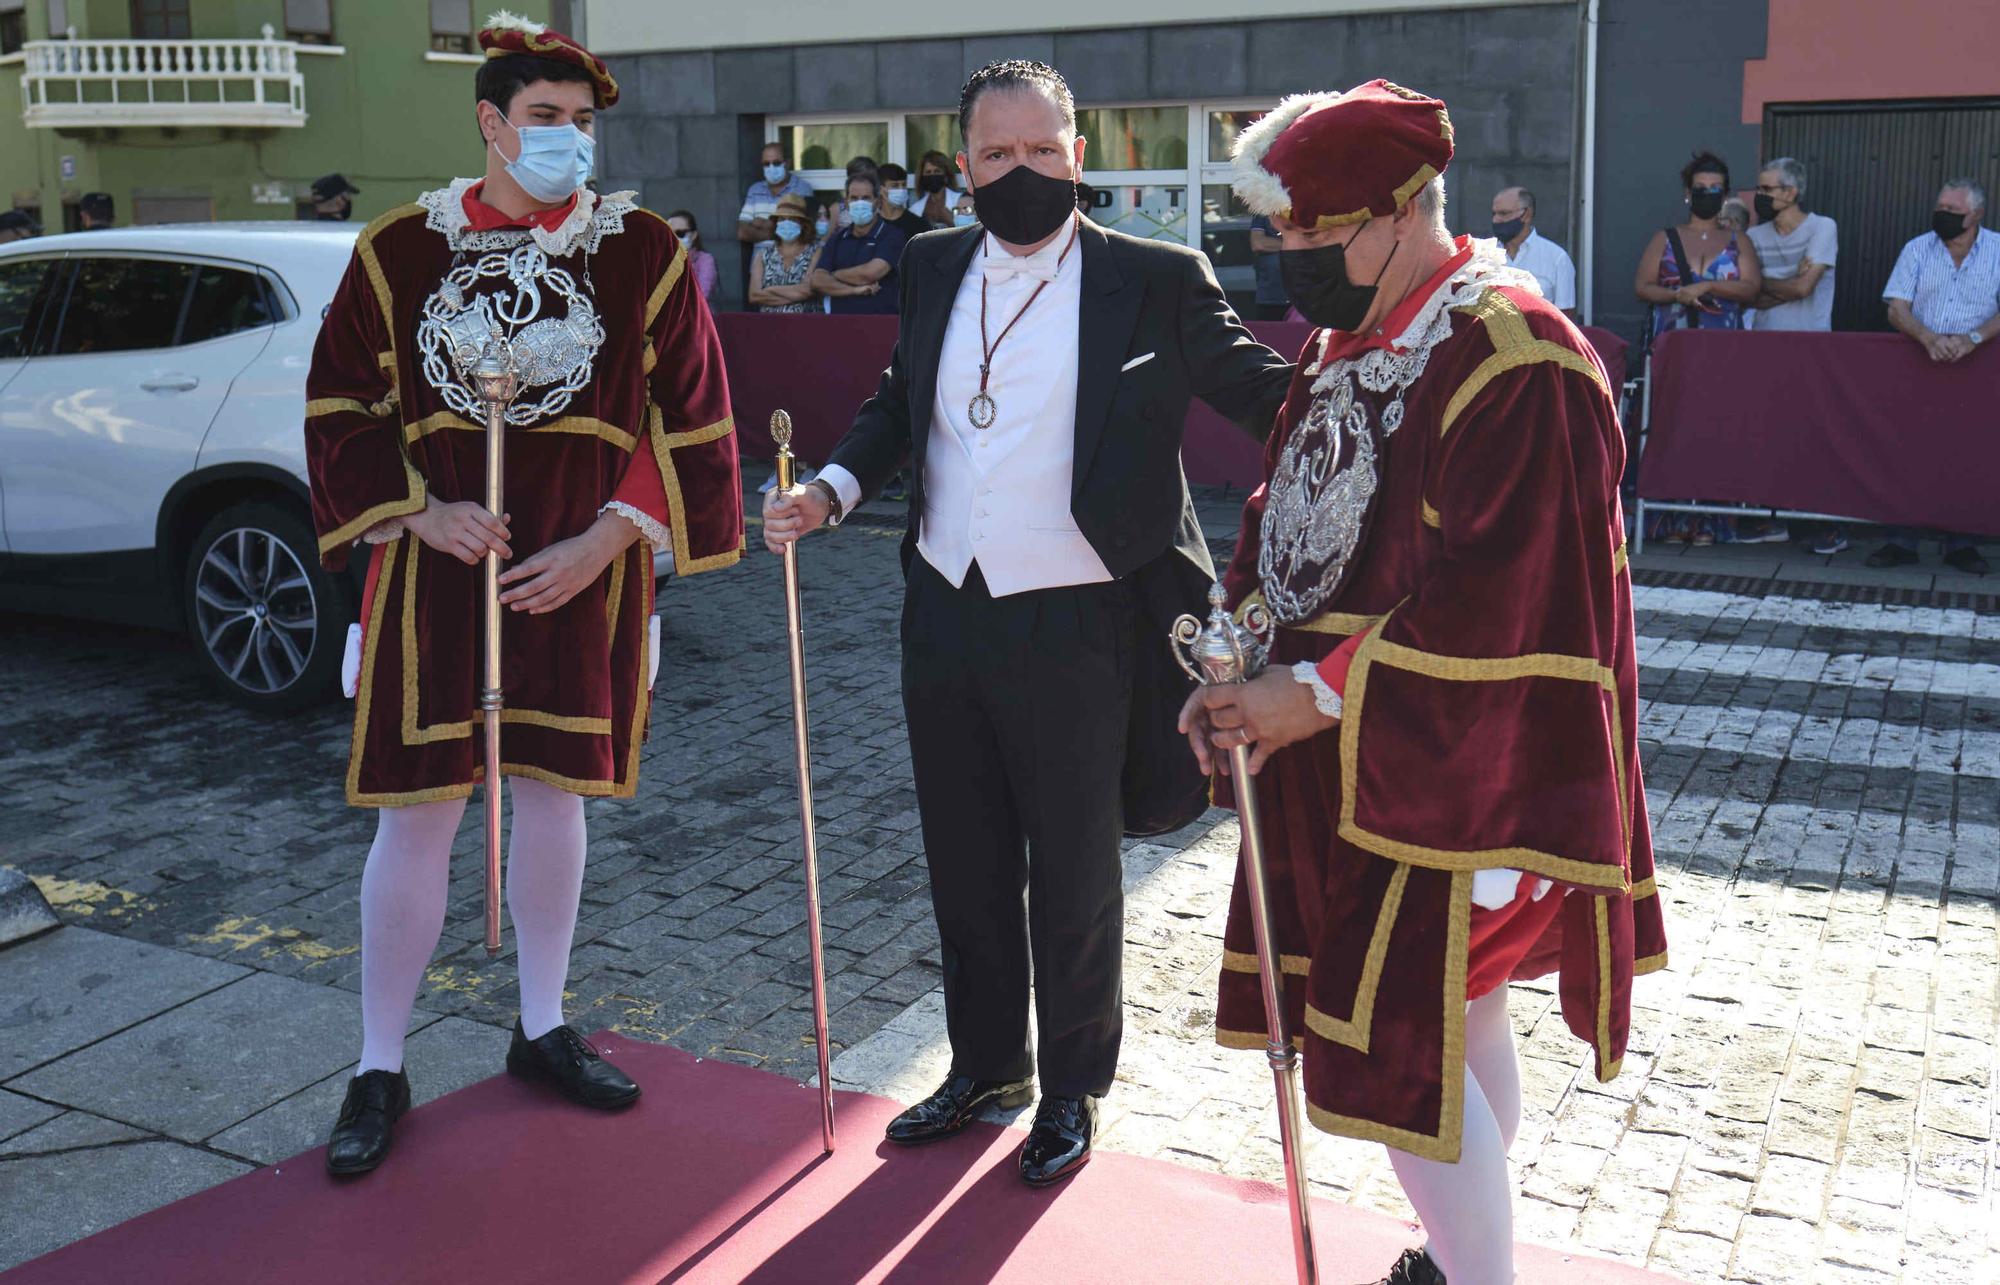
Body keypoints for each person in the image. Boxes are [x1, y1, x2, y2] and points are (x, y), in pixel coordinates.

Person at [762, 58, 1291, 1189]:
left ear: (1078, 154)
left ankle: (1068, 1089)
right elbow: (900, 403)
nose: (1021, 172)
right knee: (964, 856)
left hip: (1082, 616)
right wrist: (830, 492)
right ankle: (986, 1066)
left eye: (1042, 150)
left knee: (1074, 868)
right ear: (963, 168)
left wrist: (1381, 391)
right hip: (945, 607)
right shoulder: (931, 261)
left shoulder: (1153, 276)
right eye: (996, 156)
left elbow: (1265, 392)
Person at [1188, 79, 1666, 1285]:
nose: (1285, 255)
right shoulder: (1345, 340)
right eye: (1277, 230)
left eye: (1307, 229)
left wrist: (1321, 691)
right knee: (1461, 1009)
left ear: (1399, 211)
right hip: (1338, 756)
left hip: (1459, 762)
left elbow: (1510, 587)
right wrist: (1235, 651)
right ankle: (1461, 1268)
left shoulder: (1517, 353)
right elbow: (1277, 521)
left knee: (1405, 1032)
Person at [304, 13, 742, 1178]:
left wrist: (613, 540)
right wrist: (419, 513)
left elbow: (688, 411)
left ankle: (542, 1024)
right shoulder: (399, 251)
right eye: (544, 119)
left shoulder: (639, 248)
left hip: (578, 576)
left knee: (555, 799)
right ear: (491, 124)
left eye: (582, 122)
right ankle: (378, 1060)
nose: (566, 140)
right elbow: (340, 406)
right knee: (421, 813)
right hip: (431, 577)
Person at [1633, 150, 1763, 545]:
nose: (1708, 194)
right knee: (1670, 425)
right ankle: (1668, 520)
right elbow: (1643, 287)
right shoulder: (1665, 238)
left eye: (1716, 189)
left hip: (1724, 351)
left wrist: (1707, 286)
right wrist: (1679, 296)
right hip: (1674, 348)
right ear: (1688, 193)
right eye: (1701, 188)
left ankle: (1710, 520)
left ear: (1725, 194)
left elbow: (1752, 288)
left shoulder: (1740, 241)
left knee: (1717, 427)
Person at [1870, 178, 1997, 575]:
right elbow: (1897, 308)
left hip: (1976, 366)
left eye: (1953, 212)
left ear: (1976, 215)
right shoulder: (1917, 248)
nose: (1943, 216)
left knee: (1968, 454)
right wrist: (1927, 338)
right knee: (1905, 450)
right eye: (1939, 207)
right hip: (1916, 362)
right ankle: (1900, 540)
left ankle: (1962, 542)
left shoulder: (1998, 249)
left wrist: (1973, 339)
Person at [1745, 158, 1841, 550]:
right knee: (1770, 435)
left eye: (1768, 190)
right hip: (1764, 346)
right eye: (1760, 188)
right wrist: (1780, 283)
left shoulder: (1823, 227)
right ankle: (1773, 519)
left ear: (1791, 192)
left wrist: (1764, 286)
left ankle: (1823, 526)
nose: (1761, 196)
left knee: (1812, 437)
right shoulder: (1753, 236)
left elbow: (1805, 289)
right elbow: (1749, 291)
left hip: (1810, 347)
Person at [809, 171, 905, 315]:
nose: (860, 203)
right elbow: (817, 281)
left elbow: (870, 273)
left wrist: (834, 275)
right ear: (846, 203)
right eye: (854, 198)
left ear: (877, 202)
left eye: (866, 198)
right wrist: (855, 290)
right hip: (840, 324)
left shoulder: (892, 235)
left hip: (882, 324)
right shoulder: (837, 238)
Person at [1489, 186, 1576, 318]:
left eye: (1504, 213)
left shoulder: (1557, 258)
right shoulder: (1485, 254)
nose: (1496, 219)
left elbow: (1565, 318)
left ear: (1527, 214)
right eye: (1494, 214)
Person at [738, 140, 815, 255]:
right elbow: (742, 232)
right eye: (766, 164)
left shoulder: (802, 189)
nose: (771, 167)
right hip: (759, 267)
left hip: (792, 265)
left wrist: (764, 226)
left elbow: (806, 231)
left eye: (777, 163)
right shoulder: (755, 190)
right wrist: (776, 232)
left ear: (788, 163)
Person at [749, 194, 822, 313]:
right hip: (770, 326)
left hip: (807, 324)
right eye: (782, 219)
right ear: (776, 222)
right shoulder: (763, 255)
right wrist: (795, 294)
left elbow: (807, 291)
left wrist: (770, 290)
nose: (787, 223)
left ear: (803, 224)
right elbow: (754, 296)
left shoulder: (815, 252)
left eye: (793, 219)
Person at [665, 208, 718, 302]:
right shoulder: (661, 261)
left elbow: (702, 295)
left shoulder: (705, 260)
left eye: (680, 233)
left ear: (693, 235)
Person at [877, 162, 933, 241]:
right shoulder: (872, 225)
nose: (901, 189)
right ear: (880, 189)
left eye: (904, 185)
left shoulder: (918, 225)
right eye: (895, 185)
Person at [1248, 214, 1289, 320]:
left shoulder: (1305, 209)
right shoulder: (1264, 212)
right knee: (1268, 334)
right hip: (1271, 298)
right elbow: (1258, 243)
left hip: (1304, 296)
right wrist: (1295, 244)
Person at [912, 149, 964, 227]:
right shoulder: (915, 209)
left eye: (937, 171)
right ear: (922, 177)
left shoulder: (961, 200)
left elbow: (969, 232)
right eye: (928, 172)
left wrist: (950, 220)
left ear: (946, 176)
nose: (932, 175)